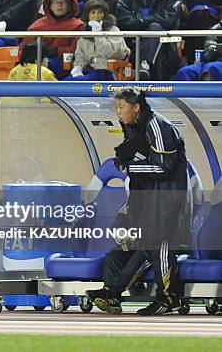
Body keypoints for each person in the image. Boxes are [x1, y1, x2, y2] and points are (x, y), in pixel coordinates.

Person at [88, 87, 188, 316]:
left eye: (121, 108)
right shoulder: (135, 127)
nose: (118, 113)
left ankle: (168, 299)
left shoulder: (156, 125)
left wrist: (130, 167)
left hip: (167, 196)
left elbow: (164, 166)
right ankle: (111, 294)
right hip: (148, 194)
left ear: (136, 107)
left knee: (157, 245)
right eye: (116, 108)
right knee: (123, 249)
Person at [116, 0, 184, 80]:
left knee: (155, 28)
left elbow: (168, 20)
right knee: (153, 26)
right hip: (131, 40)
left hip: (163, 44)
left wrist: (142, 21)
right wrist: (143, 22)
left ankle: (145, 64)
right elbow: (122, 18)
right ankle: (144, 66)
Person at [65, 0, 129, 80]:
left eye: (100, 12)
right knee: (67, 81)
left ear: (105, 15)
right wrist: (78, 67)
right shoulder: (85, 34)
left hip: (108, 71)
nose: (96, 16)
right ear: (87, 15)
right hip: (89, 70)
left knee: (79, 82)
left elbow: (112, 54)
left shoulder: (113, 30)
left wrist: (98, 35)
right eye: (93, 12)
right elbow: (80, 55)